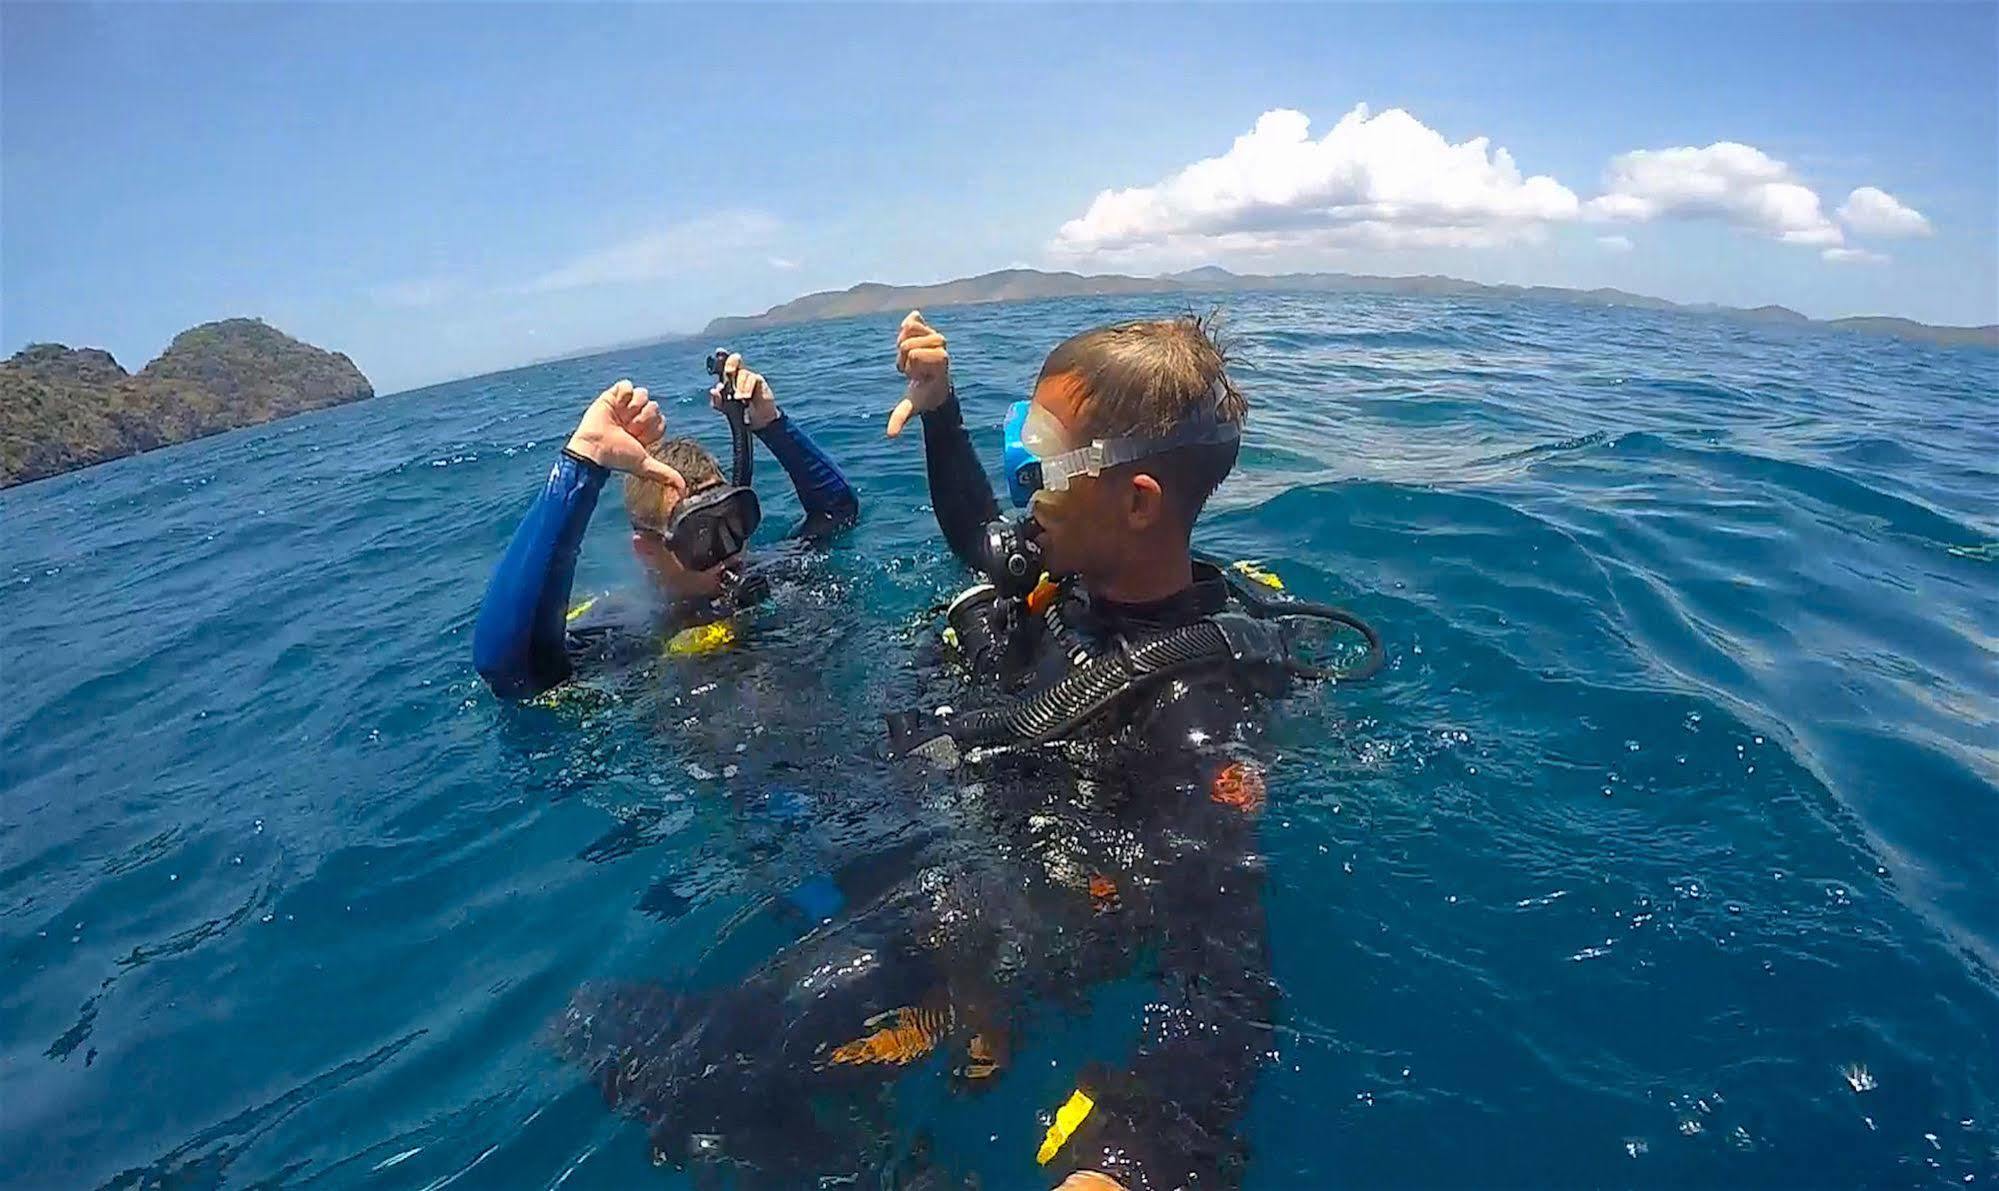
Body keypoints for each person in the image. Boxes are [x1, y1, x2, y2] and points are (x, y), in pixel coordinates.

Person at [552, 309, 1383, 1191]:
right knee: (608, 1029)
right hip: (939, 853)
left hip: (1006, 921)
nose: (1020, 488)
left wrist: (1133, 1160)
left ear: (1135, 503)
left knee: (673, 1062)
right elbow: (975, 531)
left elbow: (1226, 978)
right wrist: (941, 408)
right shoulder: (1070, 577)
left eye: (1041, 464)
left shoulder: (1190, 711)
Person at [473, 356, 858, 700]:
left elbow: (837, 514)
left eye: (734, 520)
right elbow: (510, 671)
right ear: (648, 551)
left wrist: (772, 425)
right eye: (701, 536)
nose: (731, 552)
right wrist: (583, 464)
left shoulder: (771, 571)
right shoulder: (625, 633)